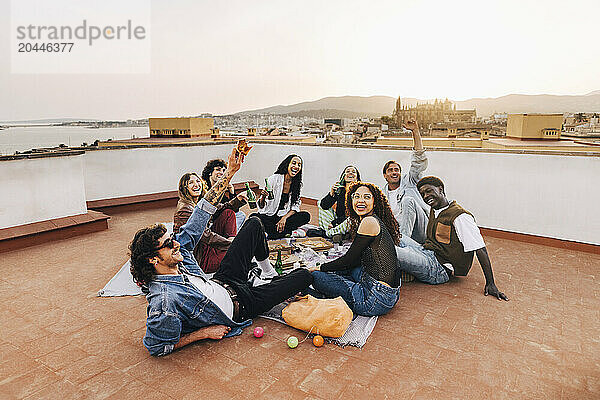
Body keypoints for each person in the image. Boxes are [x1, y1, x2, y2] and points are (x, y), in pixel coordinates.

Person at [131, 146, 313, 356]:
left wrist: (230, 172)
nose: (176, 244)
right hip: (243, 304)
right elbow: (156, 346)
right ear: (153, 259)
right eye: (168, 244)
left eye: (171, 239)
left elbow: (202, 211)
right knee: (303, 276)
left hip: (223, 280)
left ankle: (268, 273)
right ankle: (264, 283)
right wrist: (203, 333)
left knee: (254, 223)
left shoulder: (178, 255)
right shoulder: (164, 300)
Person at [395, 176, 509, 301]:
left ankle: (400, 270)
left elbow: (480, 249)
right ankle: (406, 269)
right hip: (426, 252)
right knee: (394, 237)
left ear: (440, 189)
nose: (426, 196)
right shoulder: (436, 209)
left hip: (438, 269)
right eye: (423, 194)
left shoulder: (460, 217)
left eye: (429, 191)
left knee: (392, 250)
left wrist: (491, 283)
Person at [309, 182, 401, 317]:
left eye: (367, 197)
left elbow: (349, 259)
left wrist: (321, 268)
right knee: (351, 269)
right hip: (390, 293)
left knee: (317, 277)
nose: (360, 200)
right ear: (351, 200)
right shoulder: (373, 219)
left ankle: (321, 295)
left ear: (375, 202)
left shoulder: (369, 222)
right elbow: (354, 261)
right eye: (356, 196)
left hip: (374, 300)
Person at [173, 172, 237, 274]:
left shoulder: (197, 202)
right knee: (238, 254)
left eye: (198, 181)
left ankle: (230, 246)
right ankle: (230, 248)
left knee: (228, 213)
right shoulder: (184, 210)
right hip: (201, 258)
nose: (196, 185)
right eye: (191, 183)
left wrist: (238, 200)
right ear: (184, 188)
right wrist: (231, 245)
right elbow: (206, 236)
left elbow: (220, 208)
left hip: (206, 246)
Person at [382, 119, 429, 244]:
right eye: (390, 170)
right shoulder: (382, 195)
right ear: (385, 175)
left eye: (397, 170)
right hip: (396, 231)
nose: (394, 172)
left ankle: (402, 244)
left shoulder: (410, 182)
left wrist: (415, 132)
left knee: (408, 201)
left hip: (420, 230)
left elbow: (418, 161)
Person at [253, 154, 311, 239]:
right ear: (287, 164)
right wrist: (263, 197)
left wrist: (284, 218)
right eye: (294, 163)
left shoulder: (297, 184)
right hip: (269, 216)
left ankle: (271, 233)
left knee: (306, 216)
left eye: (299, 165)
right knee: (254, 217)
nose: (296, 166)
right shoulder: (274, 179)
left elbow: (295, 206)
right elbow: (261, 206)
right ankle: (285, 232)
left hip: (283, 216)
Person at [308, 165, 360, 239]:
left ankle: (327, 233)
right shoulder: (340, 190)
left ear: (357, 178)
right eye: (347, 171)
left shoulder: (359, 191)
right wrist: (331, 193)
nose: (350, 173)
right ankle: (337, 233)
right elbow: (324, 206)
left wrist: (335, 223)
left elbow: (353, 214)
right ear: (343, 177)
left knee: (353, 219)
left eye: (353, 172)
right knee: (320, 203)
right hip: (339, 220)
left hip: (349, 222)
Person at [202, 158, 248, 231]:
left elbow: (234, 210)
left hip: (222, 220)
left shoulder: (222, 190)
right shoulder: (204, 188)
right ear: (210, 172)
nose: (221, 173)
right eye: (218, 169)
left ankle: (233, 236)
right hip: (210, 224)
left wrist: (231, 192)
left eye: (224, 170)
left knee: (240, 215)